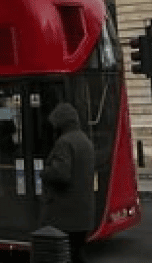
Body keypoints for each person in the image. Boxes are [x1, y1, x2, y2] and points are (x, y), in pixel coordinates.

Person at [40, 102, 95, 263]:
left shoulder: (64, 142)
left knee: (62, 254)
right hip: (83, 213)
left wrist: (45, 172)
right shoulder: (85, 140)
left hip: (65, 215)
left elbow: (61, 174)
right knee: (77, 253)